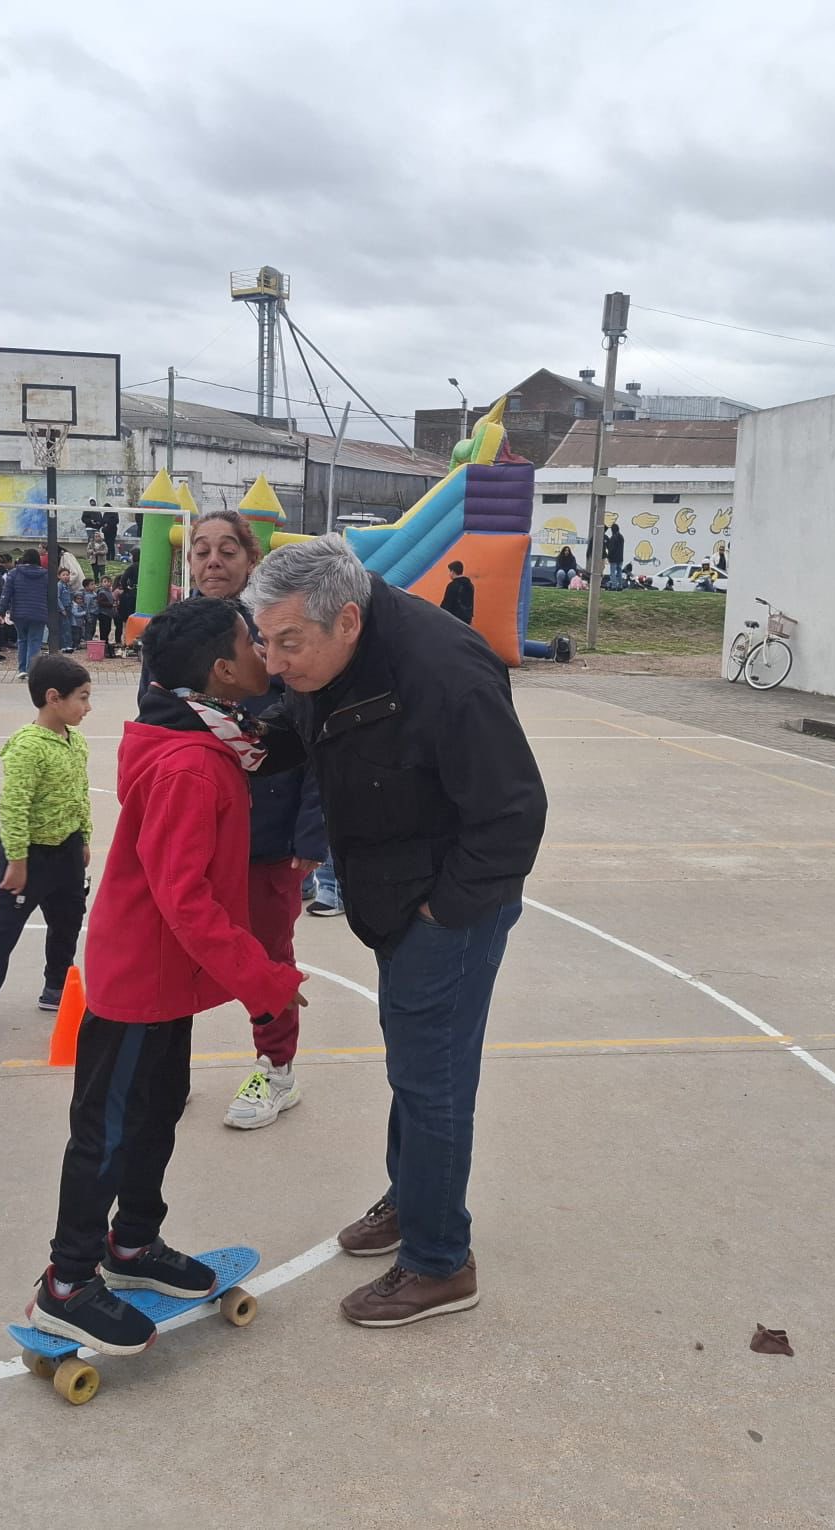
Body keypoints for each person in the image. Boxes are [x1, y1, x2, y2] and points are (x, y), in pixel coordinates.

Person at [245, 535, 546, 1327]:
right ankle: (414, 1200)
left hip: (448, 905)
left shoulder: (445, 673)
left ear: (346, 620)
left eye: (288, 644)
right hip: (397, 892)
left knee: (434, 1078)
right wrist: (255, 741)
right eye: (264, 641)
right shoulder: (334, 649)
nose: (274, 664)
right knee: (417, 1067)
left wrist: (441, 913)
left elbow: (514, 816)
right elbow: (307, 720)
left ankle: (441, 1261)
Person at [20, 600, 305, 1355]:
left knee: (158, 1108)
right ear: (220, 670)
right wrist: (263, 977)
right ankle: (65, 1282)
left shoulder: (210, 739)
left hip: (163, 978)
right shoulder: (188, 765)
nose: (264, 657)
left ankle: (133, 1244)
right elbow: (187, 899)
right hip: (136, 979)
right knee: (106, 1133)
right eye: (253, 644)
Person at [146, 510, 329, 1130]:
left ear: (251, 561)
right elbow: (154, 735)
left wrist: (310, 833)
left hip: (266, 837)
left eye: (228, 550)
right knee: (176, 950)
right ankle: (167, 1070)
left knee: (266, 954)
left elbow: (309, 741)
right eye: (201, 550)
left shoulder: (272, 634)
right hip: (198, 832)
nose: (213, 561)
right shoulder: (169, 638)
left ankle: (276, 1070)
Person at [0, 654, 94, 1032]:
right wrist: (18, 860)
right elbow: (14, 805)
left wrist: (84, 837)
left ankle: (55, 986)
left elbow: (80, 793)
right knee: (4, 926)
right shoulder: (28, 746)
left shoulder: (76, 742)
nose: (88, 707)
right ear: (53, 697)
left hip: (68, 850)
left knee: (68, 921)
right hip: (29, 856)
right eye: (83, 697)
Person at [0, 549, 52, 676]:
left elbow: (6, 594)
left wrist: (1, 611)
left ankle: (22, 669)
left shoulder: (14, 573)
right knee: (35, 640)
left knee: (22, 640)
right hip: (39, 611)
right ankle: (31, 669)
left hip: (19, 612)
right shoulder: (46, 574)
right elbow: (51, 595)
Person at [441, 560, 475, 624]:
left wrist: (440, 614)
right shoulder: (470, 585)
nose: (449, 574)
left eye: (450, 571)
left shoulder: (452, 585)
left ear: (453, 572)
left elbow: (446, 604)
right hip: (467, 620)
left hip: (454, 620)